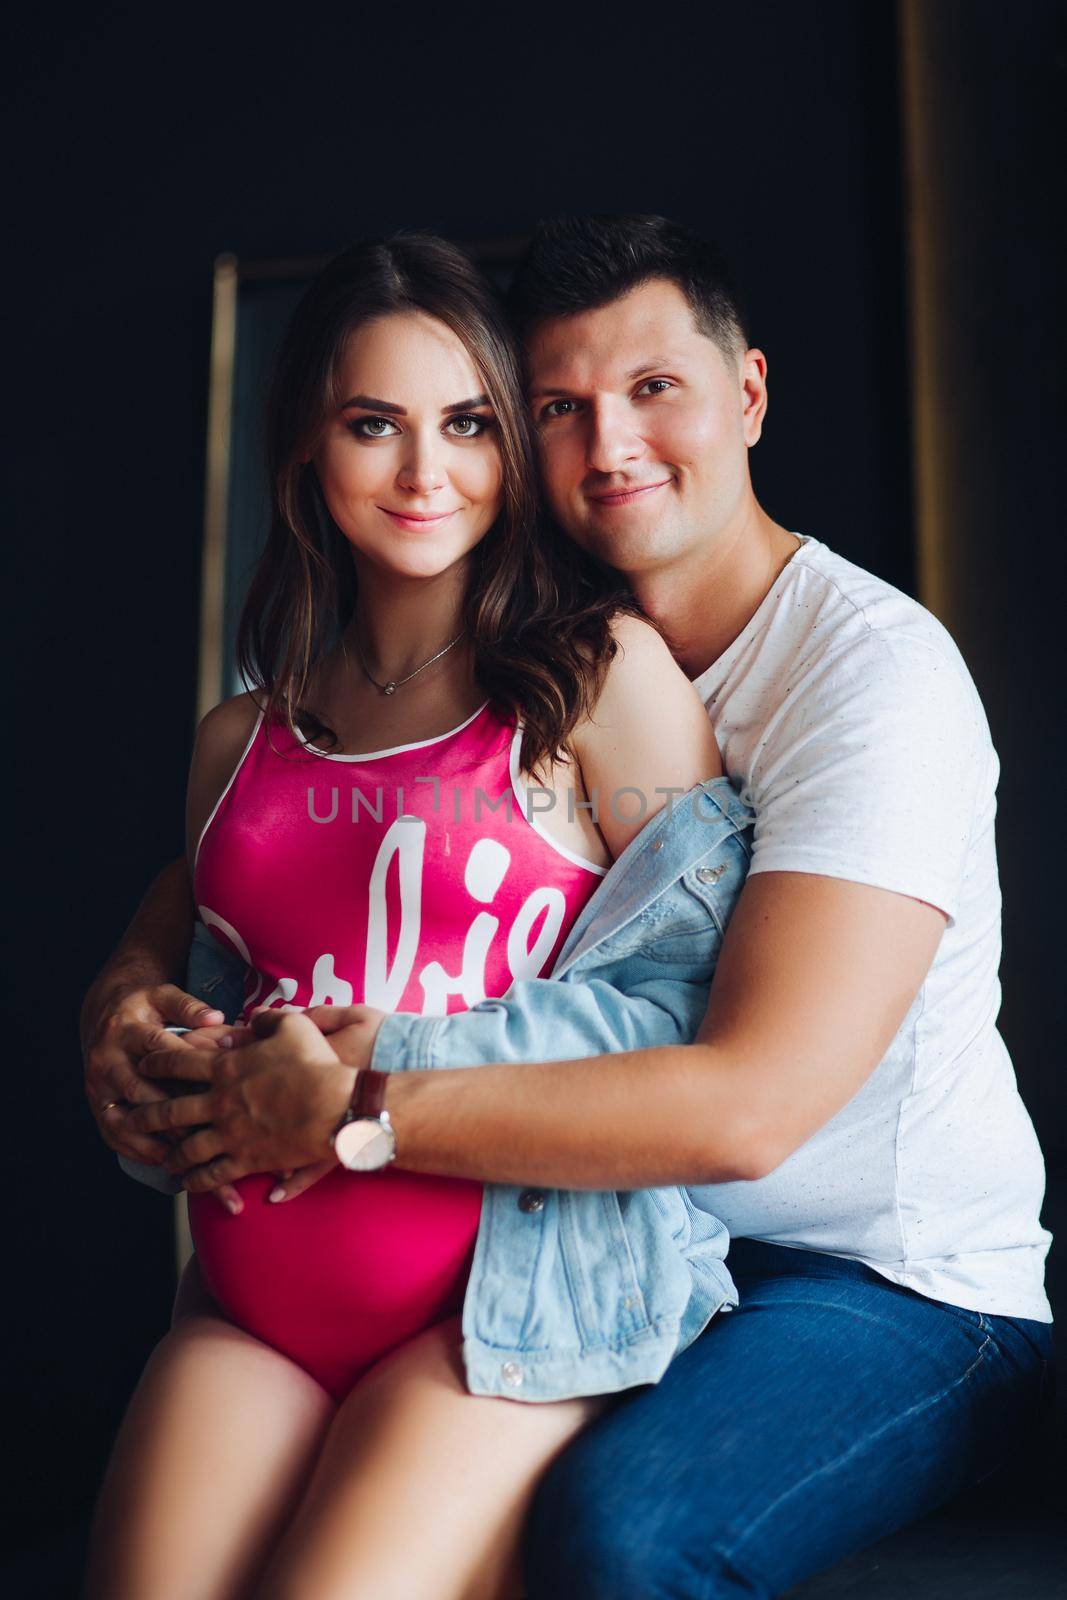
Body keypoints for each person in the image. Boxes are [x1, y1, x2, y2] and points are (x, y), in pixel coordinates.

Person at [86, 215, 1054, 1598]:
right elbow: (292, 839)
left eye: (654, 389)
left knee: (621, 1537)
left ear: (750, 395)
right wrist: (128, 980)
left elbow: (743, 1108)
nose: (608, 445)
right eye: (556, 407)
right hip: (544, 1227)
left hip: (862, 1274)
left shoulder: (860, 679)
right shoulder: (517, 630)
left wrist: (355, 1104)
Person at [84, 232, 755, 1600]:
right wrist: (132, 1014)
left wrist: (386, 1055)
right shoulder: (236, 739)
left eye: (465, 425)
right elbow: (215, 957)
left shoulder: (596, 682)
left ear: (511, 446)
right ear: (308, 450)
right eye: (373, 424)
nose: (422, 472)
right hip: (249, 1310)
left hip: (493, 1320)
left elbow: (690, 1003)